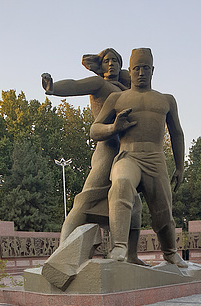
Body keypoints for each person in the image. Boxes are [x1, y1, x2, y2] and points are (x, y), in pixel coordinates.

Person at [41, 48, 146, 265]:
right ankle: (62, 253)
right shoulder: (100, 84)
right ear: (100, 65)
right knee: (86, 199)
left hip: (126, 152)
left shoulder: (126, 89)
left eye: (116, 61)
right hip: (107, 148)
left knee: (134, 204)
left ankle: (132, 256)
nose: (111, 65)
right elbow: (76, 85)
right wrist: (53, 88)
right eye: (106, 61)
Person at [90, 47, 187, 267]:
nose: (141, 73)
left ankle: (170, 252)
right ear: (130, 71)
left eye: (145, 68)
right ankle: (119, 247)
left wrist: (180, 167)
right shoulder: (117, 98)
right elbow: (94, 130)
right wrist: (113, 128)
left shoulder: (166, 100)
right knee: (121, 184)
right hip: (128, 155)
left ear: (153, 70)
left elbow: (177, 133)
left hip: (155, 159)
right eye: (136, 69)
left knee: (163, 210)